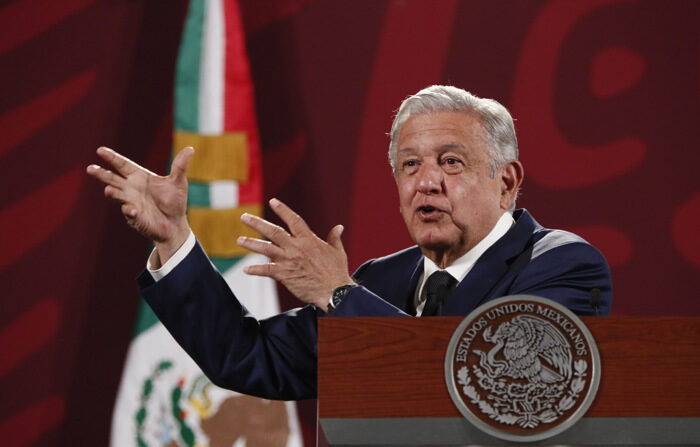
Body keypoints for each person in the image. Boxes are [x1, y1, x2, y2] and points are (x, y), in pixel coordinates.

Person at [87, 85, 612, 400]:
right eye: (410, 165)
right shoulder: (382, 280)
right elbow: (244, 357)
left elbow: (488, 387)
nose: (426, 182)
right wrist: (176, 239)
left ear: (507, 181)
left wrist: (339, 295)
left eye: (451, 162)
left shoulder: (563, 264)